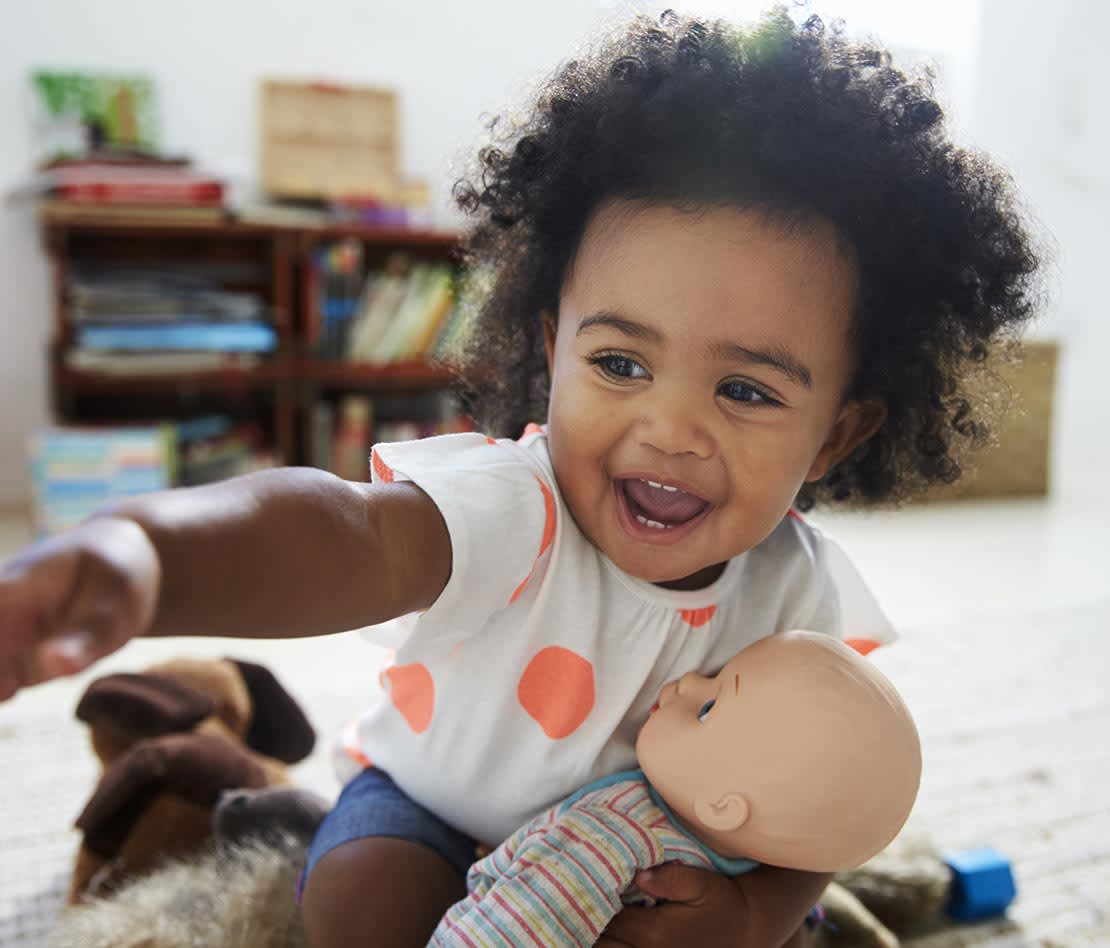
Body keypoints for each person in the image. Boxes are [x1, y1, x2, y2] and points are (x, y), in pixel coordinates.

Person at [0, 9, 1039, 948]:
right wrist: (153, 553)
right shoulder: (515, 508)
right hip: (433, 810)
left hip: (647, 856)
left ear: (837, 434)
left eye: (748, 391)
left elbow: (833, 798)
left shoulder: (796, 593)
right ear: (553, 353)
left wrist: (756, 911)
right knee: (362, 903)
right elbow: (337, 534)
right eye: (620, 364)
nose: (667, 428)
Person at [431, 631, 922, 947]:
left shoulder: (610, 837)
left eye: (707, 706)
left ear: (723, 806)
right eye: (713, 677)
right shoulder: (731, 852)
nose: (687, 683)